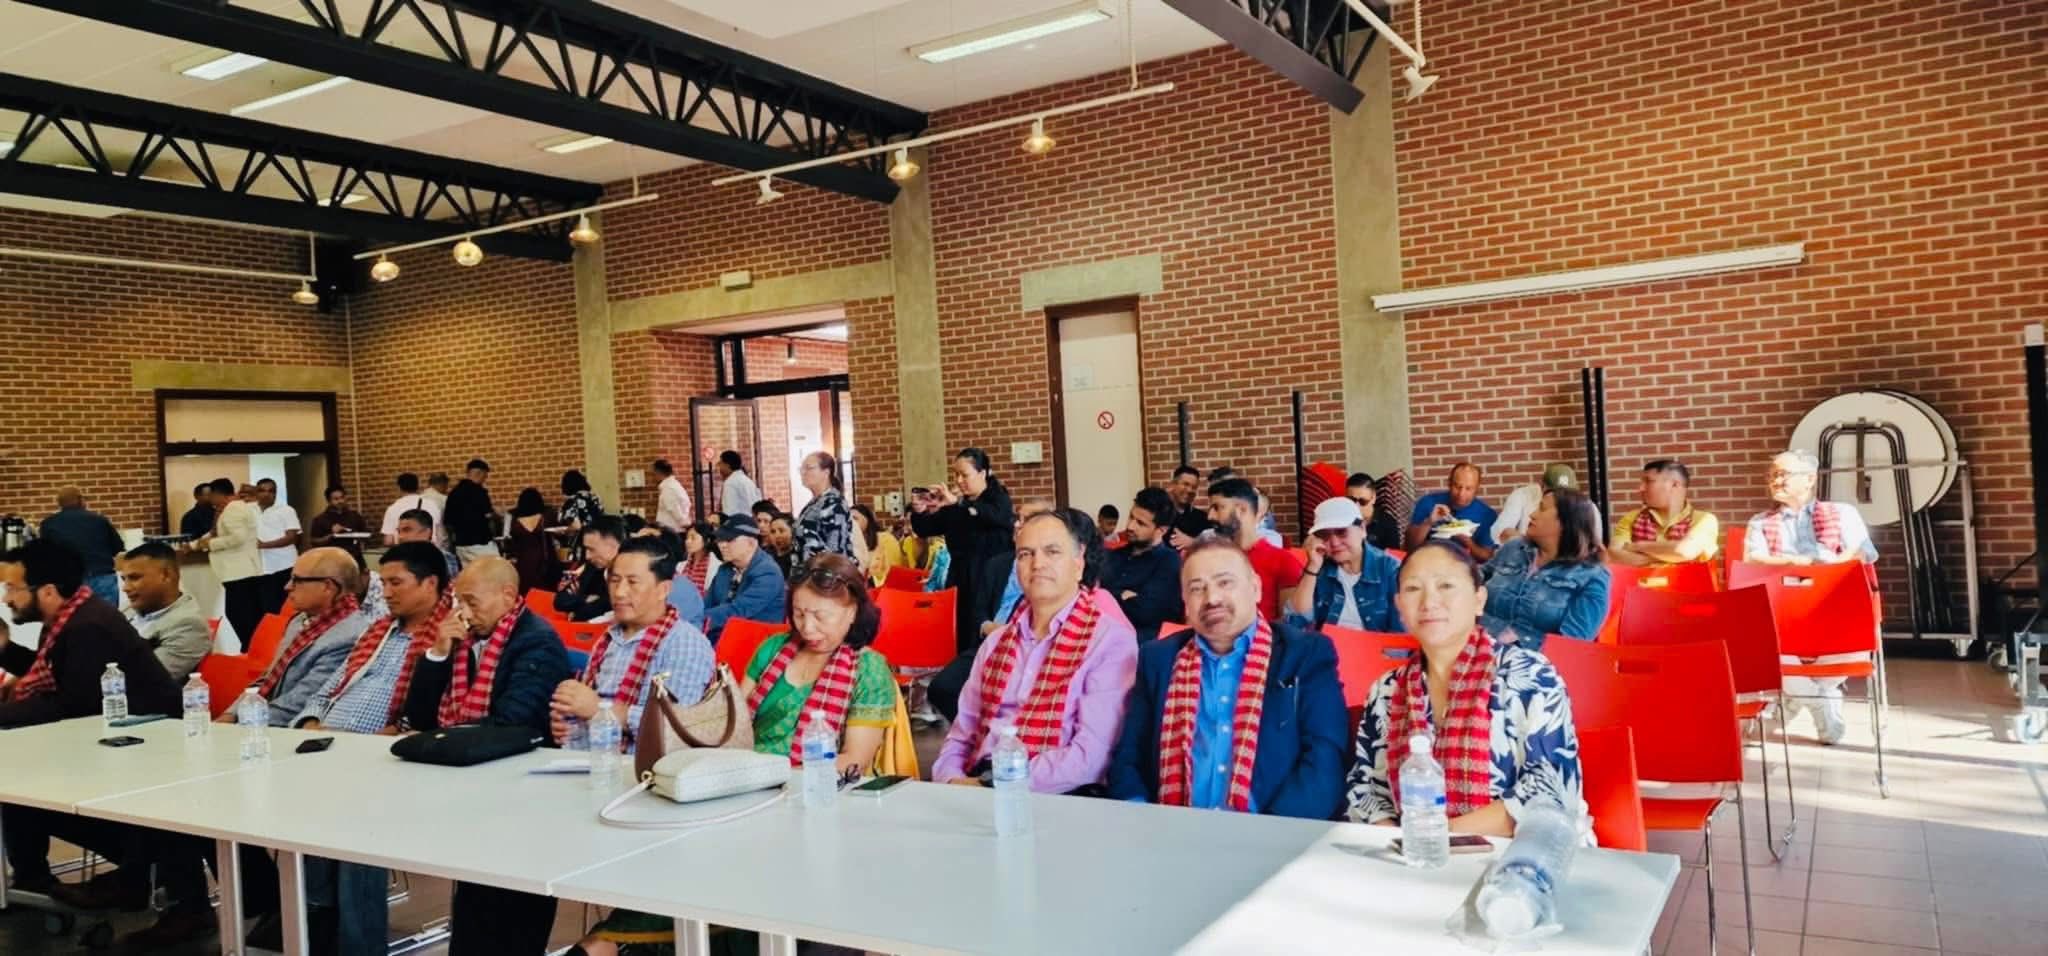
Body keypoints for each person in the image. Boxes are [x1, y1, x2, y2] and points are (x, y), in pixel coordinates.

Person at [0, 540, 198, 946]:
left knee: (25, 790)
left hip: (147, 749)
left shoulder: (87, 626)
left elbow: (73, 704)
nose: (6, 598)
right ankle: (40, 879)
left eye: (12, 588)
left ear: (47, 590)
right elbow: (58, 678)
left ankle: (141, 876)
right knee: (17, 787)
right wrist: (6, 651)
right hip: (115, 743)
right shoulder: (69, 620)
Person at [1345, 542, 1583, 835]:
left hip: (1523, 850)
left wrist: (1437, 837)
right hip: (1410, 851)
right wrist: (1399, 841)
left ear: (1479, 599)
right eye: (1413, 589)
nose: (1429, 602)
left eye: (1445, 586)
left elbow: (1551, 790)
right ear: (1399, 605)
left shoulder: (1530, 676)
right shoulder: (1386, 690)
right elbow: (1366, 787)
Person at [554, 538, 720, 956]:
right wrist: (568, 721)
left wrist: (598, 710)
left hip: (647, 784)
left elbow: (675, 728)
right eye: (614, 580)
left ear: (664, 588)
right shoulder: (608, 640)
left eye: (632, 581)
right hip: (591, 770)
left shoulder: (682, 642)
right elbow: (588, 714)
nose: (619, 591)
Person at [1108, 538, 1348, 817]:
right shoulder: (1158, 659)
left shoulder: (1305, 654)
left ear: (1255, 588)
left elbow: (1324, 761)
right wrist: (1141, 818)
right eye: (1197, 588)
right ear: (1185, 602)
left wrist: (1274, 832)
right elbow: (1129, 756)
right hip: (1171, 827)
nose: (1212, 599)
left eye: (1225, 583)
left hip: (1272, 828)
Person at [932, 509, 1137, 794]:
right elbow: (960, 736)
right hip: (978, 783)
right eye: (1025, 554)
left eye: (1052, 552)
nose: (1037, 563)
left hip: (1060, 793)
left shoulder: (1109, 641)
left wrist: (997, 784)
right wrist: (951, 780)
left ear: (1078, 563)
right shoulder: (995, 643)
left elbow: (1091, 756)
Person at [1744, 449, 1877, 745]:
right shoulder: (1760, 522)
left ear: (1809, 479)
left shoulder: (1842, 512)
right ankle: (1820, 702)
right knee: (1762, 645)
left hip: (1834, 610)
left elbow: (1863, 552)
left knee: (1854, 640)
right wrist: (1801, 563)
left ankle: (1796, 698)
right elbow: (1753, 560)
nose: (1775, 481)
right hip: (1783, 616)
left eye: (1783, 474)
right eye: (1772, 475)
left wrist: (1827, 570)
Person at [293, 541, 452, 734]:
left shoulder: (446, 640)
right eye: (383, 583)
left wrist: (372, 741)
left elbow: (431, 713)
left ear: (430, 584)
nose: (386, 594)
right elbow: (324, 694)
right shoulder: (376, 632)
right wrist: (311, 725)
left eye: (395, 583)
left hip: (382, 744)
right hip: (325, 737)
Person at [407, 556, 572, 733]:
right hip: (459, 742)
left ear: (508, 595)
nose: (466, 614)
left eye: (472, 603)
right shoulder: (461, 639)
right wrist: (438, 654)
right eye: (460, 603)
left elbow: (515, 725)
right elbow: (419, 719)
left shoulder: (538, 642)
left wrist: (442, 738)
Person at [246, 547, 370, 727]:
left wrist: (241, 723)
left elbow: (300, 702)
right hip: (261, 719)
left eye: (297, 580)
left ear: (328, 586)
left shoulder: (351, 635)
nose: (287, 587)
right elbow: (268, 678)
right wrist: (231, 713)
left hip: (289, 728)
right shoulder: (299, 621)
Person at [911, 447, 1017, 653]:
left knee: (985, 634)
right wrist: (920, 510)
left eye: (964, 475)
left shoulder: (998, 498)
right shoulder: (955, 504)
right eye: (956, 475)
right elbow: (925, 529)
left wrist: (960, 503)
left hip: (990, 576)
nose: (959, 480)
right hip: (960, 576)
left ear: (982, 473)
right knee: (961, 633)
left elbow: (995, 516)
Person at [1480, 488, 1611, 651]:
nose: (1532, 515)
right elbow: (1475, 579)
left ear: (1565, 522)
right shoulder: (1513, 548)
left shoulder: (1592, 575)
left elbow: (1572, 645)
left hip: (1535, 661)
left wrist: (1517, 640)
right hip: (1478, 646)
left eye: (1542, 508)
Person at [1286, 497, 1401, 633]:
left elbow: (1400, 634)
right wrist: (1312, 568)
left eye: (1342, 532)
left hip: (1376, 646)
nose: (1334, 543)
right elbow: (1296, 624)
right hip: (1327, 645)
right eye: (1325, 535)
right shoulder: (1318, 569)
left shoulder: (1390, 569)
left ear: (1362, 529)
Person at [1206, 478, 1305, 622]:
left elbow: (1289, 625)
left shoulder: (1283, 561)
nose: (1210, 516)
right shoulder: (1210, 560)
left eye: (1217, 508)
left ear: (1241, 510)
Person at [116, 542, 210, 683]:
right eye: (124, 579)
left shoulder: (189, 625)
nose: (125, 588)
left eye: (134, 578)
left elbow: (143, 678)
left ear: (166, 575)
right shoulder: (129, 609)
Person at [1102, 488, 1182, 642]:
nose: (1130, 526)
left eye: (1140, 523)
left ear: (1161, 530)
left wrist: (1108, 596)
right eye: (1131, 517)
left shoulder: (1169, 561)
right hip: (1101, 635)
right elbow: (1092, 596)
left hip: (1140, 644)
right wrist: (1124, 595)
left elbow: (1146, 613)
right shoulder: (1112, 555)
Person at [1610, 459, 1720, 567]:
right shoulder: (1631, 518)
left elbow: (1685, 550)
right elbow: (1614, 555)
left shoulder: (1704, 519)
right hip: (1640, 580)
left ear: (1674, 485)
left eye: (1648, 481)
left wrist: (1638, 546)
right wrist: (1670, 556)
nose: (1641, 488)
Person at [197, 479, 266, 648]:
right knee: (244, 613)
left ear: (218, 494)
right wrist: (195, 544)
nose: (210, 500)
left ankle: (250, 648)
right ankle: (251, 647)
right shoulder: (232, 508)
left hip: (239, 571)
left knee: (240, 614)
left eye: (211, 495)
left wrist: (211, 544)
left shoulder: (233, 509)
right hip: (241, 571)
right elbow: (216, 532)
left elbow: (238, 538)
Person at [703, 515, 788, 642]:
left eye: (729, 539)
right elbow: (707, 603)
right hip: (724, 636)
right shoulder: (724, 569)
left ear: (751, 543)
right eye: (720, 539)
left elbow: (738, 611)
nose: (722, 545)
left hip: (756, 643)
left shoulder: (768, 572)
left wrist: (696, 619)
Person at [40, 487, 125, 604]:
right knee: (107, 614)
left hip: (70, 582)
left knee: (77, 615)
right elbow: (118, 548)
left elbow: (46, 555)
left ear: (59, 503)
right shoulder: (99, 520)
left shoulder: (48, 524)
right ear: (80, 500)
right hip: (102, 577)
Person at [1405, 462, 1501, 559]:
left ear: (1477, 488)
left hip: (1465, 564)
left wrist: (1468, 543)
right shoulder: (1428, 502)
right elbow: (1409, 547)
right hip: (1428, 560)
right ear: (1449, 484)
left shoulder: (1487, 514)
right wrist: (1428, 522)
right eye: (1457, 487)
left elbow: (1487, 556)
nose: (1461, 494)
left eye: (1468, 488)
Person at [555, 517, 626, 622]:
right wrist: (586, 599)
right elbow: (560, 601)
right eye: (586, 549)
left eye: (591, 549)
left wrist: (579, 606)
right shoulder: (592, 567)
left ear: (613, 545)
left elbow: (584, 614)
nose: (587, 556)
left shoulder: (630, 574)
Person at [1491, 464, 1577, 546]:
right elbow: (1500, 532)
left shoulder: (1579, 503)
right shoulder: (1522, 495)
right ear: (1542, 486)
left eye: (1566, 493)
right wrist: (1534, 546)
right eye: (1554, 492)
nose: (1560, 496)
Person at [794, 451, 855, 563]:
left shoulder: (834, 504)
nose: (803, 472)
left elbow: (836, 552)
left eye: (808, 468)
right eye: (801, 468)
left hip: (824, 571)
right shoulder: (816, 502)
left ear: (826, 472)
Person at [255, 477, 303, 612]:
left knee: (288, 607)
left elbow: (292, 537)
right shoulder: (250, 510)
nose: (267, 494)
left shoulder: (286, 510)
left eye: (271, 491)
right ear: (256, 493)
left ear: (275, 494)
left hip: (285, 566)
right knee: (267, 609)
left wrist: (264, 545)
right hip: (262, 568)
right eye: (262, 490)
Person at [505, 487, 560, 593]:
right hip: (545, 559)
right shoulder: (548, 516)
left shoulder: (513, 519)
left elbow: (509, 540)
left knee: (527, 591)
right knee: (546, 591)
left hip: (523, 561)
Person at [445, 458, 498, 566]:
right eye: (485, 476)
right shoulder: (479, 492)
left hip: (461, 545)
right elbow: (488, 516)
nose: (484, 480)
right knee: (494, 570)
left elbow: (448, 521)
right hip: (480, 543)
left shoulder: (453, 493)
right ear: (479, 473)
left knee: (470, 574)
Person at [306, 484, 370, 566]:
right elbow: (314, 541)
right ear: (329, 501)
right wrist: (331, 535)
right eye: (336, 499)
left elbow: (366, 535)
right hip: (331, 561)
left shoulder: (355, 516)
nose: (340, 501)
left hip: (354, 558)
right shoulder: (320, 519)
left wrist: (354, 534)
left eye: (342, 497)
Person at [380, 472, 444, 548]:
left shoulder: (392, 509)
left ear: (399, 488)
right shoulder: (432, 505)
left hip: (405, 551)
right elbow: (440, 534)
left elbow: (388, 541)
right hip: (431, 549)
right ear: (418, 486)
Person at [1348, 472, 1403, 552]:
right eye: (1352, 500)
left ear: (1373, 498)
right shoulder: (1342, 521)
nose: (1356, 506)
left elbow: (1393, 557)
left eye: (1362, 501)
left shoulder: (1387, 523)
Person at [851, 503, 899, 587]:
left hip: (884, 588)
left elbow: (893, 570)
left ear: (868, 520)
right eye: (849, 520)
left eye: (855, 518)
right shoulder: (851, 542)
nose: (852, 523)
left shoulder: (886, 539)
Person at [1166, 465, 1210, 547]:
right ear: (1173, 484)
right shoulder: (1160, 514)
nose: (1190, 490)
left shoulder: (1203, 519)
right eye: (1185, 484)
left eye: (1194, 487)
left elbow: (1212, 547)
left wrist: (1193, 542)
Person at [717, 450, 763, 519]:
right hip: (752, 522)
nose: (719, 468)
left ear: (727, 465)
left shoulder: (730, 483)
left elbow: (728, 513)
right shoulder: (748, 481)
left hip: (738, 523)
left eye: (720, 464)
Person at [560, 469, 606, 536]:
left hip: (584, 538)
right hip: (600, 536)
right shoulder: (596, 498)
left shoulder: (572, 501)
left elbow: (576, 526)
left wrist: (565, 531)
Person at [652, 458, 692, 532]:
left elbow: (673, 508)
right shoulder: (674, 484)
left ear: (658, 472)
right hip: (674, 529)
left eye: (654, 473)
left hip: (672, 530)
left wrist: (684, 523)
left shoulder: (668, 488)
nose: (654, 476)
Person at [681, 520, 721, 595]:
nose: (687, 541)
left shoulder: (716, 567)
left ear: (707, 540)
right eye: (687, 537)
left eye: (693, 538)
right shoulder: (681, 566)